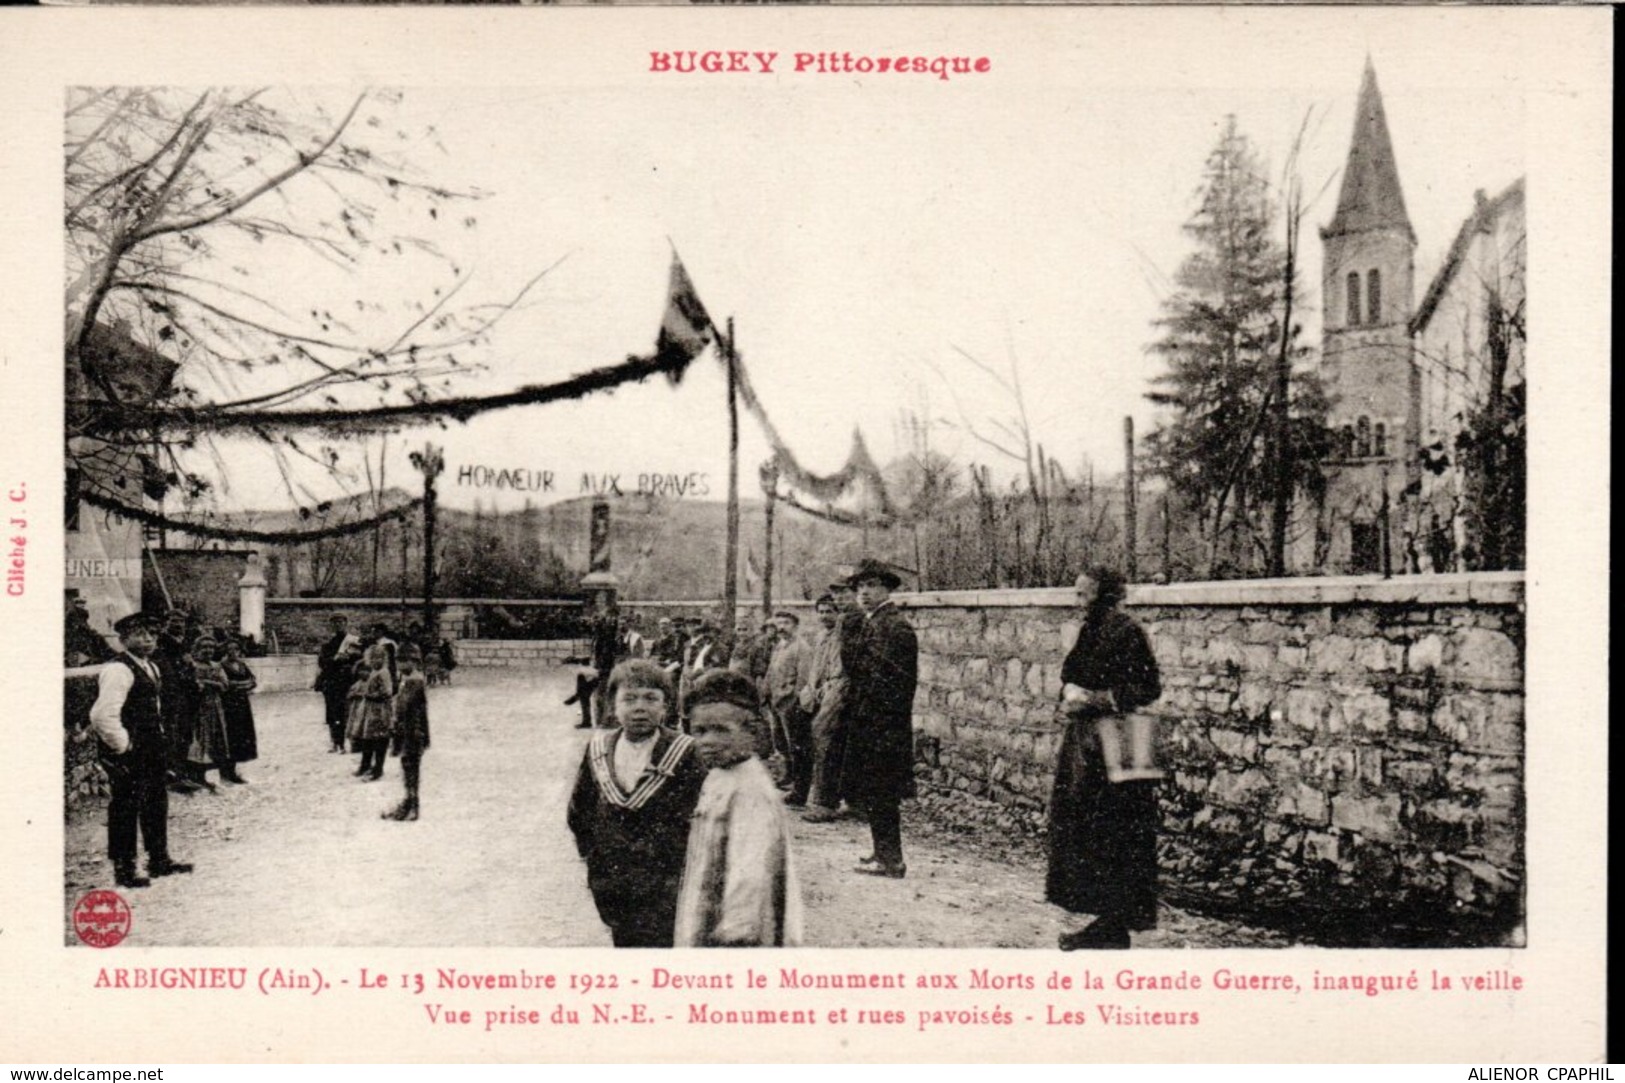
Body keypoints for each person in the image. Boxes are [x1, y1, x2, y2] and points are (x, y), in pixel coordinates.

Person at [1047, 566, 1163, 951]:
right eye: (1076, 594)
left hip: (1121, 741)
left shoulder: (1126, 631)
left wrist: (1097, 699)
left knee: (1118, 831)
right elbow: (1072, 674)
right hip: (1088, 742)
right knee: (1087, 829)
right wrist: (1068, 696)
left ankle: (1114, 924)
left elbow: (1147, 687)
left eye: (1085, 595)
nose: (1078, 602)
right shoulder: (1090, 630)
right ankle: (1106, 921)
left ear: (1106, 595)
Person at [566, 660, 708, 947]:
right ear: (613, 706)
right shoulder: (599, 749)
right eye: (629, 699)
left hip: (666, 877)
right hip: (612, 877)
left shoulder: (685, 751)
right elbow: (580, 810)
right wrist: (595, 857)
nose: (639, 707)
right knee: (625, 941)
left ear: (666, 706)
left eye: (651, 698)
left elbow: (701, 816)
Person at [674, 669, 804, 948]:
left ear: (753, 731)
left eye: (721, 730)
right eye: (699, 731)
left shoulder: (751, 790)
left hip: (737, 935)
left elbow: (750, 869)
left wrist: (737, 930)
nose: (707, 741)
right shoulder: (720, 775)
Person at [88, 612, 193, 889]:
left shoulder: (149, 666)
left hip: (151, 747)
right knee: (125, 805)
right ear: (123, 639)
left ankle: (159, 859)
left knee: (156, 800)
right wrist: (123, 747)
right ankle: (125, 868)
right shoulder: (118, 669)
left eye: (152, 634)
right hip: (130, 750)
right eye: (139, 634)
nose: (147, 639)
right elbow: (102, 716)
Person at [838, 559, 918, 879]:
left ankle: (891, 859)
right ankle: (882, 851)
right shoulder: (871, 623)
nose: (865, 593)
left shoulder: (895, 627)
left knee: (883, 790)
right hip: (870, 719)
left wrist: (876, 717)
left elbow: (894, 682)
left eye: (872, 586)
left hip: (884, 723)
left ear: (887, 588)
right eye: (860, 587)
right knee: (874, 789)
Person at [799, 589, 851, 823]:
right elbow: (815, 668)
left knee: (827, 743)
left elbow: (838, 669)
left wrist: (827, 690)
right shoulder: (821, 636)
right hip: (818, 693)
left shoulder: (841, 636)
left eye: (829, 611)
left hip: (836, 691)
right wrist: (811, 689)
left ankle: (826, 802)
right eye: (820, 612)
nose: (824, 616)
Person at [764, 611, 814, 804]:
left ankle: (800, 792)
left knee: (798, 747)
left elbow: (803, 679)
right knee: (782, 744)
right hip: (776, 703)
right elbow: (771, 672)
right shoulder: (779, 646)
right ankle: (789, 778)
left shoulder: (802, 648)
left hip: (791, 705)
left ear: (795, 625)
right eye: (779, 623)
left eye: (787, 623)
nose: (782, 627)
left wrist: (794, 700)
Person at [383, 644, 431, 822]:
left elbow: (404, 706)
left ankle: (413, 804)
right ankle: (407, 802)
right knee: (407, 767)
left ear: (415, 661)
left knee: (411, 768)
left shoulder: (415, 681)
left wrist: (393, 718)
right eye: (398, 661)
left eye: (405, 661)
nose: (401, 665)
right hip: (407, 731)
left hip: (413, 731)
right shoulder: (407, 679)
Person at [187, 634, 232, 791]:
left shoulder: (216, 665)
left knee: (214, 739)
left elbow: (225, 685)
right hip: (198, 707)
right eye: (204, 647)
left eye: (211, 648)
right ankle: (196, 776)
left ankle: (209, 775)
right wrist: (213, 683)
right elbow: (193, 685)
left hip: (215, 706)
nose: (208, 651)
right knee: (199, 738)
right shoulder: (192, 666)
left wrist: (207, 683)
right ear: (197, 649)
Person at [348, 644, 396, 782]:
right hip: (370, 710)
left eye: (379, 658)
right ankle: (365, 765)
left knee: (379, 740)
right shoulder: (374, 672)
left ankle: (378, 769)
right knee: (367, 739)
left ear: (384, 659)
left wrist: (371, 695)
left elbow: (388, 692)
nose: (376, 661)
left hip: (380, 710)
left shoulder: (384, 672)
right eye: (373, 658)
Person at [315, 615, 362, 753]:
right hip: (331, 683)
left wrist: (349, 659)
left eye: (341, 622)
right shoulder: (328, 644)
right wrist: (335, 659)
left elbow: (360, 661)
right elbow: (322, 662)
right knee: (331, 714)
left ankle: (345, 743)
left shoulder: (354, 642)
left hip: (347, 682)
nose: (338, 625)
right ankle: (334, 742)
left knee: (345, 713)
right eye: (335, 623)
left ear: (346, 624)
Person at [218, 639, 258, 785]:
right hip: (228, 705)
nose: (233, 652)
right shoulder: (222, 666)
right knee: (229, 736)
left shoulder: (241, 665)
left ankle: (233, 771)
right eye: (230, 649)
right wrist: (243, 685)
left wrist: (241, 685)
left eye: (236, 649)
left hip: (242, 704)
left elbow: (253, 681)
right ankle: (225, 772)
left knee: (241, 736)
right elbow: (227, 684)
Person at [66, 597, 115, 667]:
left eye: (83, 604)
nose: (82, 605)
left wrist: (91, 631)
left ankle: (105, 655)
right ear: (76, 604)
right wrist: (92, 632)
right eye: (80, 604)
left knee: (97, 638)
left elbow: (85, 626)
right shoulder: (74, 613)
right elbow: (81, 626)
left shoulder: (80, 613)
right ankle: (105, 656)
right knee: (97, 639)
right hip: (74, 638)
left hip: (80, 636)